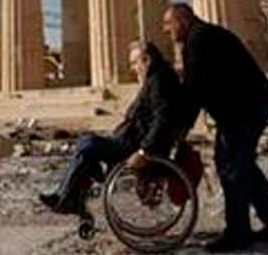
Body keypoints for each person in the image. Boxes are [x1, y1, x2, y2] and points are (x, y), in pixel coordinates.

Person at [163, 3, 268, 252]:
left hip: (245, 108)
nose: (165, 30)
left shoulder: (199, 40)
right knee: (243, 165)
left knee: (231, 167)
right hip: (244, 106)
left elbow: (195, 89)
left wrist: (181, 127)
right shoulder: (202, 36)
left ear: (183, 20)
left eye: (169, 24)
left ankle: (238, 234)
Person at [39, 40, 184, 214]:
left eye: (134, 63)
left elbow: (162, 119)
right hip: (131, 141)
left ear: (147, 60)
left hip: (135, 147)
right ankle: (70, 196)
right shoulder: (156, 79)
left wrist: (144, 151)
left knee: (87, 143)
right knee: (87, 146)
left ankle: (68, 196)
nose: (132, 68)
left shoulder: (159, 80)